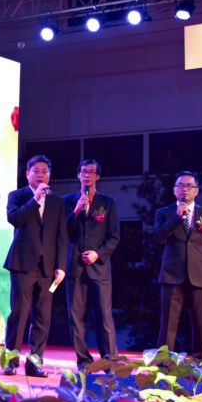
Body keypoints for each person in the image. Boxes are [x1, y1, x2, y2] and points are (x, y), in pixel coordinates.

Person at [3, 155, 67, 378]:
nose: (41, 175)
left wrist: (61, 265)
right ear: (27, 174)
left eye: (45, 171)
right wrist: (35, 199)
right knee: (19, 314)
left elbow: (61, 236)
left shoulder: (57, 201)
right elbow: (14, 219)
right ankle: (11, 362)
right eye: (36, 171)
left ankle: (34, 363)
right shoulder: (17, 196)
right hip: (22, 263)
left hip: (47, 268)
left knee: (42, 318)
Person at [151, 171, 202, 359]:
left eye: (189, 186)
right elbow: (158, 238)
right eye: (180, 185)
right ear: (174, 190)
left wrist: (200, 262)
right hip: (172, 275)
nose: (185, 189)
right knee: (168, 323)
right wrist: (176, 217)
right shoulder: (164, 213)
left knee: (201, 322)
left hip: (201, 275)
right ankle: (164, 362)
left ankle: (201, 361)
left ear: (196, 191)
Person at [64, 159, 122, 371]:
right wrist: (76, 211)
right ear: (78, 175)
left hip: (99, 267)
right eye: (83, 172)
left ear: (98, 176)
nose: (87, 175)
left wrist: (98, 254)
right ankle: (83, 361)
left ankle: (109, 360)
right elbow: (62, 232)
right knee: (75, 316)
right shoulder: (67, 201)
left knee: (104, 315)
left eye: (91, 172)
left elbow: (114, 236)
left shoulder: (108, 203)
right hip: (74, 266)